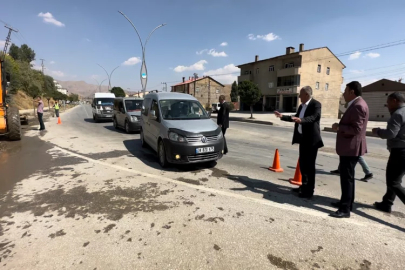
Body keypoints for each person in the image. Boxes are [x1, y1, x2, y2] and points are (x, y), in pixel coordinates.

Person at [275, 86, 324, 198]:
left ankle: (309, 191)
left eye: (301, 94)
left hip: (312, 140)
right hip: (303, 139)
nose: (299, 97)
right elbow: (296, 118)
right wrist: (282, 117)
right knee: (302, 164)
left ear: (306, 94)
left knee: (309, 166)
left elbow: (314, 117)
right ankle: (303, 186)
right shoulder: (301, 106)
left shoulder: (316, 104)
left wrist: (302, 120)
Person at [330, 81, 369, 218]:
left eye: (345, 91)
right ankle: (346, 202)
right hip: (350, 147)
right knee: (348, 178)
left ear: (352, 92)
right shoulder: (356, 104)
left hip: (351, 148)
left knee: (347, 179)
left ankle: (345, 209)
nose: (343, 93)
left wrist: (339, 127)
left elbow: (356, 129)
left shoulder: (358, 106)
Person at [372, 92, 405, 213]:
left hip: (400, 152)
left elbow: (391, 133)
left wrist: (378, 131)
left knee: (394, 182)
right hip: (401, 151)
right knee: (395, 179)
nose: (387, 104)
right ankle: (387, 203)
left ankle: (387, 203)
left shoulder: (398, 114)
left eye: (388, 101)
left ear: (395, 101)